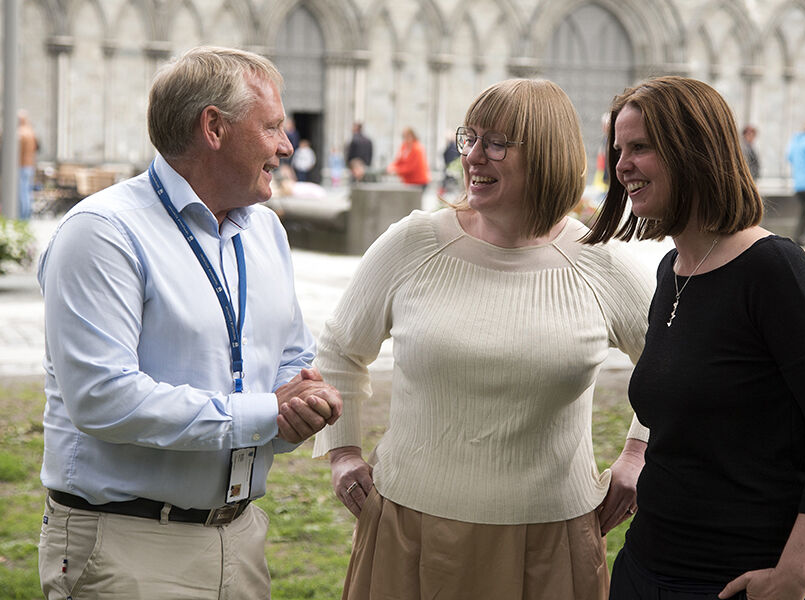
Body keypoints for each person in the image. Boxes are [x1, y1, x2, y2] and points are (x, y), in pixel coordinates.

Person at [312, 78, 655, 599]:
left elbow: (677, 369)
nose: (472, 156)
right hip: (409, 530)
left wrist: (637, 453)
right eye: (468, 138)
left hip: (550, 541)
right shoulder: (414, 242)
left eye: (495, 142)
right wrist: (342, 452)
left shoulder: (598, 263)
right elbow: (339, 350)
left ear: (545, 154)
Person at [36, 46, 342, 600]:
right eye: (272, 127)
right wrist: (264, 413)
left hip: (241, 537)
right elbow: (103, 397)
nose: (286, 146)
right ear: (214, 128)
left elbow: (291, 356)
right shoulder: (104, 232)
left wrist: (296, 403)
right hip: (127, 549)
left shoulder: (265, 231)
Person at [586, 76, 805, 600]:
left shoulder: (775, 270)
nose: (621, 164)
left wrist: (794, 575)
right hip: (648, 564)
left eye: (640, 147)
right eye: (618, 148)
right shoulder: (672, 271)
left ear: (693, 150)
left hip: (739, 579)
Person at [17, 110, 39, 220]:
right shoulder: (31, 132)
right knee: (27, 192)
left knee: (22, 193)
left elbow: (16, 152)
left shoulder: (21, 133)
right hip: (30, 166)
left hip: (21, 166)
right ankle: (26, 215)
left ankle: (23, 216)